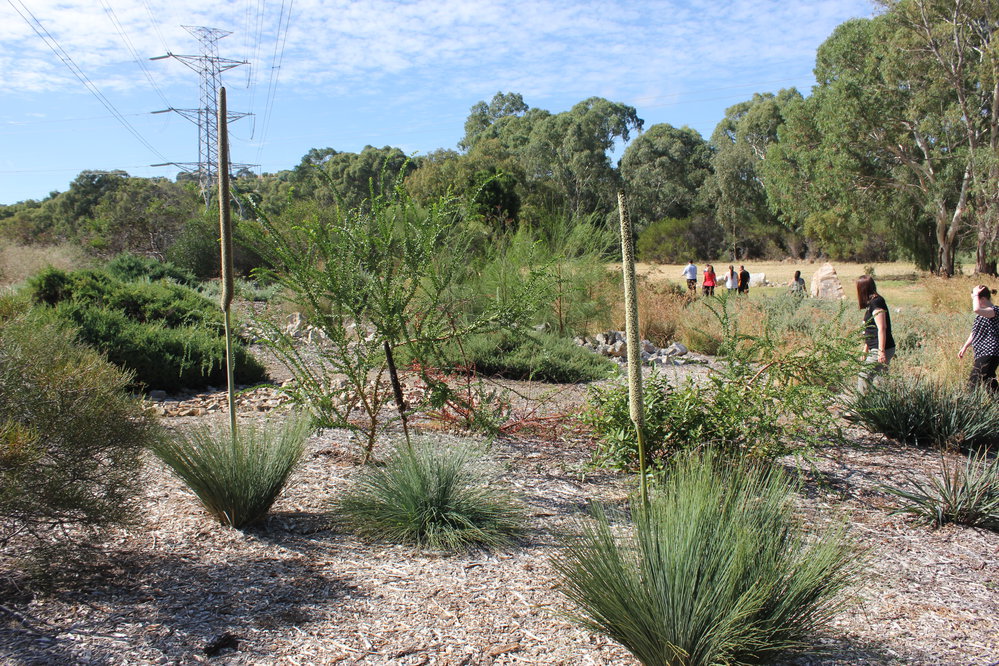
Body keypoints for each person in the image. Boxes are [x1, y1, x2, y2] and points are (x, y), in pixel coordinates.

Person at [857, 275, 895, 393]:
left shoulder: (876, 302)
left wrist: (881, 351)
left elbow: (882, 327)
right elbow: (870, 329)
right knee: (878, 379)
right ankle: (876, 406)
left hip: (880, 349)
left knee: (864, 375)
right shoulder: (872, 303)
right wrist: (866, 348)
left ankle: (861, 407)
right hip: (876, 348)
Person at [958, 285, 999, 393]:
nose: (974, 302)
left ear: (983, 299)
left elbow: (976, 309)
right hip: (981, 352)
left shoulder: (994, 311)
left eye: (975, 299)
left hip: (990, 351)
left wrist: (975, 293)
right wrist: (965, 346)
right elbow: (975, 332)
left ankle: (967, 405)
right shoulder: (982, 315)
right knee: (990, 383)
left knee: (974, 381)